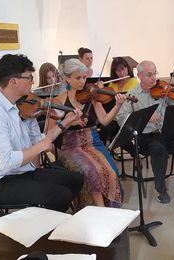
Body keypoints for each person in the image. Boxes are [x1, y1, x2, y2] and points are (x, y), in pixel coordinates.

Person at [0, 54, 84, 212]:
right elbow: (5, 162)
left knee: (76, 179)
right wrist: (40, 146)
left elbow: (40, 141)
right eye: (29, 77)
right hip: (1, 181)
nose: (33, 81)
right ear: (14, 81)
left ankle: (48, 219)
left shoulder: (25, 106)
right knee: (59, 195)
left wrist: (65, 123)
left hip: (25, 171)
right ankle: (45, 230)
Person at [117, 60, 174, 204]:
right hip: (146, 136)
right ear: (139, 75)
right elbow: (121, 118)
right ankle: (160, 189)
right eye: (149, 75)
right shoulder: (132, 95)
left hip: (167, 132)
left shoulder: (163, 91)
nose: (153, 78)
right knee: (158, 150)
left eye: (155, 74)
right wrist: (146, 117)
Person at [52, 58, 127, 208]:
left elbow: (104, 120)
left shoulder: (91, 95)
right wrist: (68, 122)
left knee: (111, 173)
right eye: (78, 78)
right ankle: (99, 211)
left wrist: (117, 106)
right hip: (71, 147)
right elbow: (49, 132)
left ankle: (111, 212)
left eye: (84, 77)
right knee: (93, 170)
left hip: (94, 142)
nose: (82, 81)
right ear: (67, 78)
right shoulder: (59, 101)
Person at [98, 57, 139, 144]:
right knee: (104, 129)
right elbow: (105, 101)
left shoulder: (134, 82)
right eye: (118, 70)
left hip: (127, 118)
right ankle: (104, 152)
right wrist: (101, 90)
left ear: (127, 68)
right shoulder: (112, 84)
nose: (121, 73)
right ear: (114, 72)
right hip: (114, 118)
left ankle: (133, 152)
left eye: (123, 69)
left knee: (120, 135)